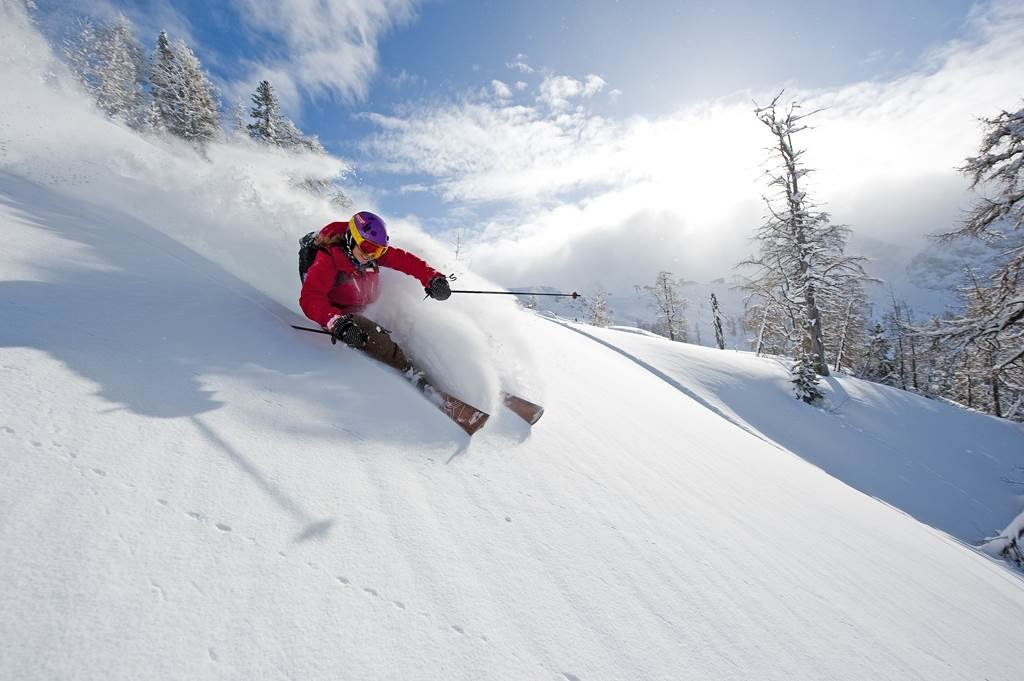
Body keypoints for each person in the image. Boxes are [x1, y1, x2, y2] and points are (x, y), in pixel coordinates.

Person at [299, 211, 451, 373]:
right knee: (375, 336)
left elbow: (406, 261)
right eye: (367, 248)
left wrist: (432, 278)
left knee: (402, 319)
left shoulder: (369, 255)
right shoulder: (328, 258)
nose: (370, 255)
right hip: (338, 313)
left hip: (363, 305)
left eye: (378, 251)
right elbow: (311, 297)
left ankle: (412, 360)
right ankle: (411, 374)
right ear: (351, 238)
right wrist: (337, 323)